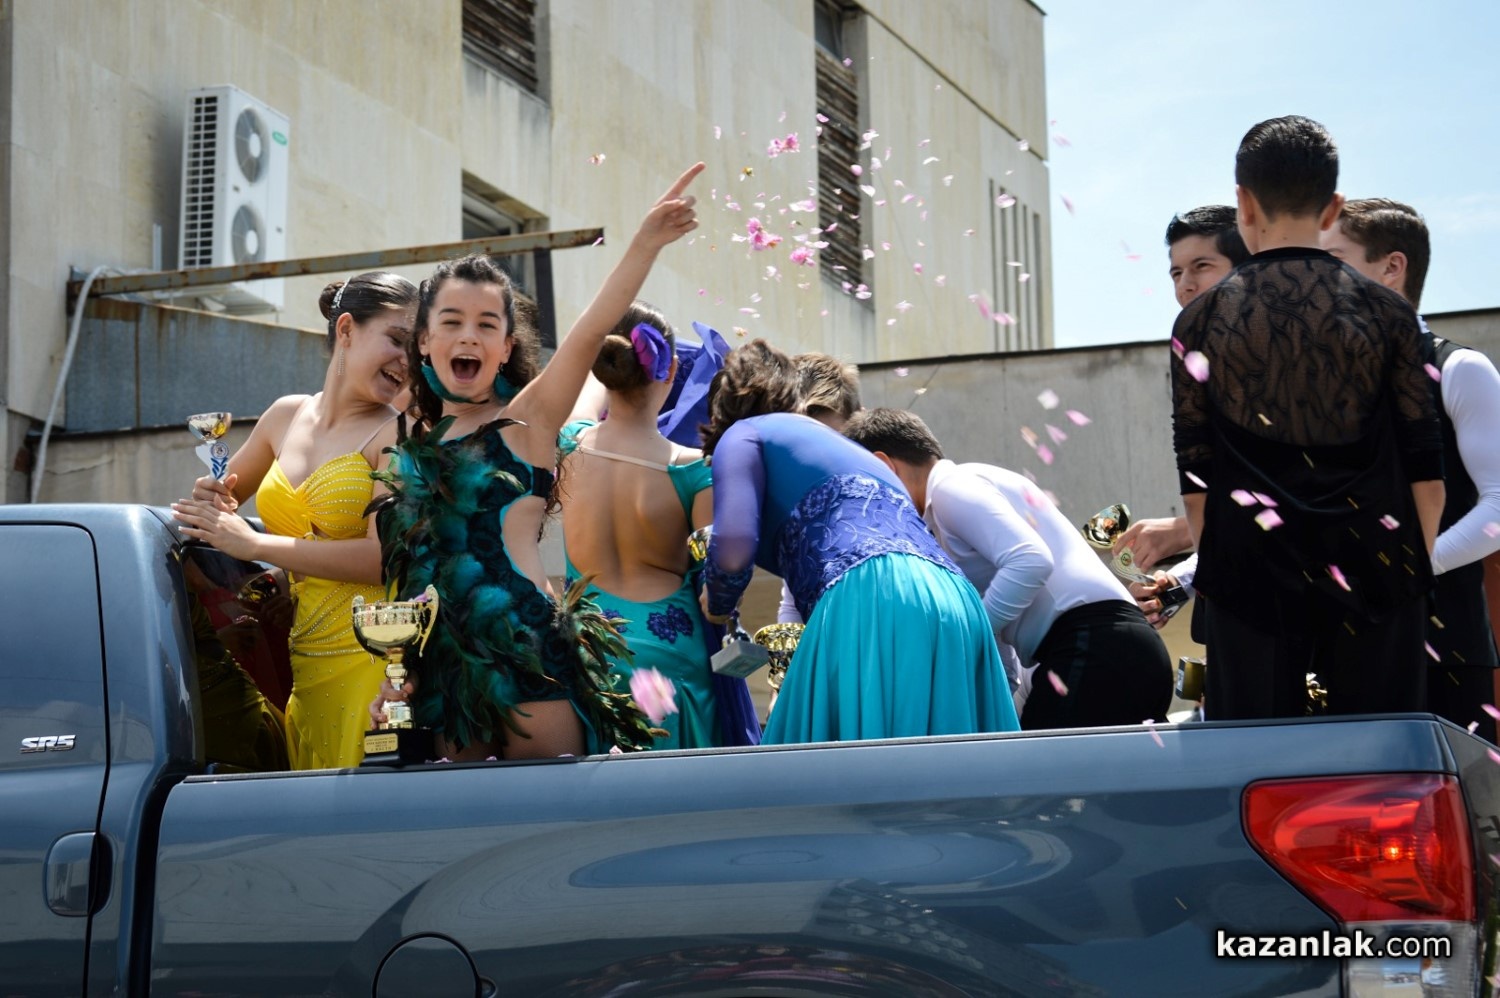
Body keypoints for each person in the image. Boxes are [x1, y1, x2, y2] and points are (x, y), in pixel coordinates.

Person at [374, 164, 704, 761]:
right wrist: (396, 673)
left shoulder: (529, 420)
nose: (468, 336)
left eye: (487, 325)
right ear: (424, 340)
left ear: (506, 347)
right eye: (451, 322)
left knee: (551, 812)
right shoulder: (406, 454)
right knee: (463, 819)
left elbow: (591, 328)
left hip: (529, 654)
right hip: (444, 671)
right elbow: (412, 578)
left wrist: (645, 243)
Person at [1171, 115, 1444, 720]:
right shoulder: (1390, 315)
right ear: (1333, 207)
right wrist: (1409, 577)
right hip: (1376, 569)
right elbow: (1427, 473)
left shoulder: (1200, 320)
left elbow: (1197, 480)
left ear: (1244, 203)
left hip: (1250, 575)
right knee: (1377, 761)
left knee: (1259, 760)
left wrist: (1223, 573)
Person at [699, 339, 1019, 744]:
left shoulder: (744, 434)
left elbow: (733, 549)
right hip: (957, 601)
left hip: (871, 595)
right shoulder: (850, 450)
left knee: (827, 770)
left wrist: (719, 600)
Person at [172, 271, 419, 769]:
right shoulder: (284, 416)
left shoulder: (401, 434)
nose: (407, 361)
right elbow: (222, 503)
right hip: (301, 661)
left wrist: (255, 545)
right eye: (397, 340)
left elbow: (381, 558)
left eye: (417, 352)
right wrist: (209, 498)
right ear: (346, 329)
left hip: (373, 662)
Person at [846, 407, 1173, 728]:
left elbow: (1030, 560)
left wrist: (963, 638)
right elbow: (1002, 628)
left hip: (1094, 647)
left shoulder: (949, 488)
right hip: (1109, 648)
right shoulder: (960, 492)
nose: (869, 508)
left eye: (865, 488)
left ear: (883, 465)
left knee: (1038, 766)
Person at [1322, 198, 1500, 740]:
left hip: (1444, 649)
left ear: (1391, 267)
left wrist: (1408, 569)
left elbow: (1498, 506)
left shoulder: (1461, 368)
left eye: (1334, 260)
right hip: (1342, 649)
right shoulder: (1322, 387)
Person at [556, 302, 720, 749]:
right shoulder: (695, 470)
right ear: (671, 371)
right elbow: (718, 591)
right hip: (673, 656)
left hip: (590, 647)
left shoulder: (569, 443)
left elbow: (586, 392)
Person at [1117, 206, 1253, 613]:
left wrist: (1180, 532)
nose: (1185, 286)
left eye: (1202, 266)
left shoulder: (1283, 368)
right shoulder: (1201, 368)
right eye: (1176, 273)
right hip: (1232, 611)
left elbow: (1292, 502)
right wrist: (1174, 589)